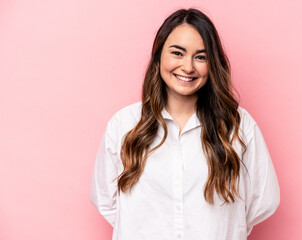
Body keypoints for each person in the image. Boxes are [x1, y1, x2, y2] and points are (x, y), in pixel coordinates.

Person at [90, 8, 280, 240]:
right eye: (177, 53)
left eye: (200, 57)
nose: (188, 67)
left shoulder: (238, 127)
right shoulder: (124, 125)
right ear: (159, 55)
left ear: (212, 64)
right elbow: (106, 202)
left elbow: (262, 202)